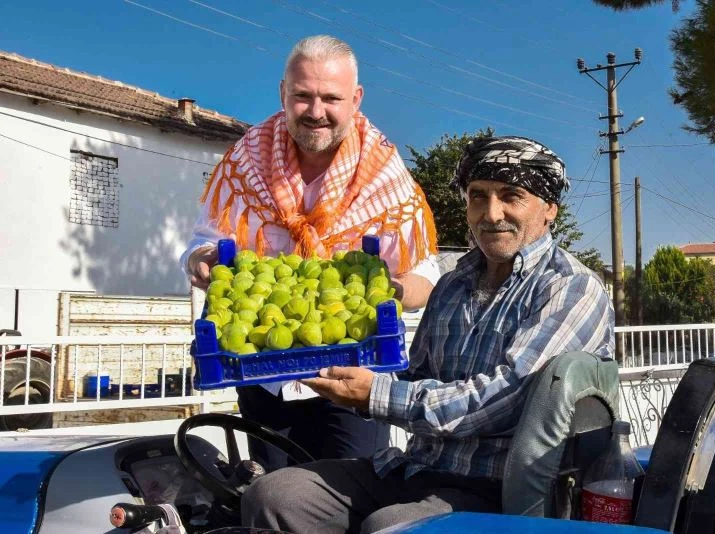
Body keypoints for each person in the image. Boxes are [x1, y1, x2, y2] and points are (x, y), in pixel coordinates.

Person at [240, 136, 615, 533]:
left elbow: (507, 396)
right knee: (274, 495)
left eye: (511, 196)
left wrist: (377, 395)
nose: (491, 213)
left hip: (500, 491)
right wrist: (336, 366)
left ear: (549, 209)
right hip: (415, 468)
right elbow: (413, 376)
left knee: (391, 526)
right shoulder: (453, 286)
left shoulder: (570, 287)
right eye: (478, 195)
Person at [180, 35, 440, 472]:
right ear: (283, 93)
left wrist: (398, 289)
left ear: (355, 99)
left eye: (331, 98)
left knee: (349, 500)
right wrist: (200, 260)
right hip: (263, 376)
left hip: (353, 377)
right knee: (271, 498)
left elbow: (425, 272)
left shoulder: (385, 175)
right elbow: (203, 238)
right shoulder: (245, 161)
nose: (316, 112)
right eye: (303, 96)